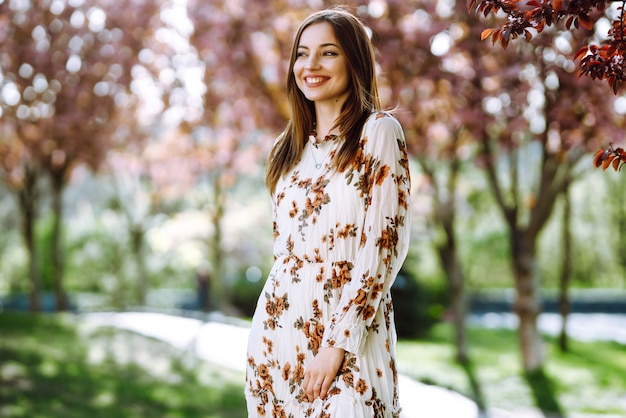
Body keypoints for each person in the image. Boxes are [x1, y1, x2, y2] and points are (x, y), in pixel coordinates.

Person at [245, 7, 411, 418]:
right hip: (277, 336)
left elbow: (384, 245)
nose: (311, 65)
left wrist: (339, 343)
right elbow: (284, 254)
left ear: (354, 60)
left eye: (328, 53)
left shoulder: (379, 132)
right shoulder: (285, 150)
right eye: (302, 54)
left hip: (350, 335)